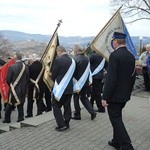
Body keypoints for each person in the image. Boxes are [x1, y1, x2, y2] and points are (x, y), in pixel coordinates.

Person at [101, 32, 136, 150]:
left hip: (114, 96)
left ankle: (127, 145)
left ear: (116, 41)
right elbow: (133, 76)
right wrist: (128, 92)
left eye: (113, 41)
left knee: (116, 120)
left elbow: (111, 79)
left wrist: (105, 96)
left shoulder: (115, 56)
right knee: (117, 117)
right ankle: (116, 141)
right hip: (124, 95)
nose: (113, 42)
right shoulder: (131, 56)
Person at [52, 45, 76, 131]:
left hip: (60, 88)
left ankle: (61, 125)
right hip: (69, 87)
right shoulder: (72, 60)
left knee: (55, 106)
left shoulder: (58, 60)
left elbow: (54, 74)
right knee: (67, 106)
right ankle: (67, 122)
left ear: (59, 51)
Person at [2, 52, 29, 123]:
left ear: (15, 58)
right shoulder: (25, 67)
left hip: (13, 88)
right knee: (20, 103)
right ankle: (20, 117)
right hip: (23, 88)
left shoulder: (12, 67)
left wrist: (12, 85)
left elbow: (8, 79)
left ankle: (7, 119)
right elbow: (27, 79)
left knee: (10, 103)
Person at [72, 45, 97, 120]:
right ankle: (92, 112)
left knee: (76, 98)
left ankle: (77, 114)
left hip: (77, 83)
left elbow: (73, 72)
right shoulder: (87, 58)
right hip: (85, 82)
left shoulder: (75, 59)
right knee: (84, 98)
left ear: (76, 51)